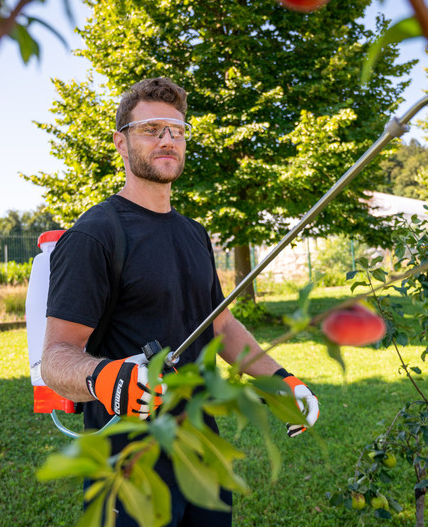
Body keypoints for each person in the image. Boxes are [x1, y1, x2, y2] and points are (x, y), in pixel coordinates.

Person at [41, 77, 319, 526]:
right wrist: (106, 377)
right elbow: (55, 357)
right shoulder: (95, 235)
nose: (168, 139)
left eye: (178, 130)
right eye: (152, 129)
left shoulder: (194, 233)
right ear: (121, 142)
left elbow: (222, 326)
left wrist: (280, 380)